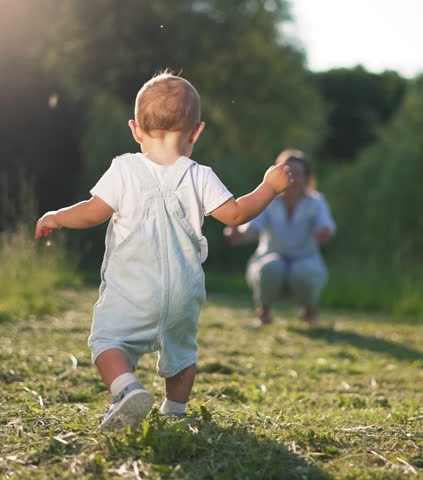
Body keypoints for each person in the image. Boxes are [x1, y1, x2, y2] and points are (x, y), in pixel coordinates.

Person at [34, 72, 292, 431]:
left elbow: (93, 212)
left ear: (136, 130)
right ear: (196, 132)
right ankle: (175, 411)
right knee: (182, 354)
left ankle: (127, 389)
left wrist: (57, 217)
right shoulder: (200, 175)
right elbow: (236, 214)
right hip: (183, 295)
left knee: (107, 341)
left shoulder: (123, 169)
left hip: (132, 291)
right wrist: (268, 188)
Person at [225, 149, 336, 326]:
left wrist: (324, 233)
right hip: (270, 259)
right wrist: (239, 235)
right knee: (271, 266)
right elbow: (252, 229)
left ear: (307, 178)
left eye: (297, 174)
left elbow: (326, 229)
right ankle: (264, 310)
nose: (293, 179)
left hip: (305, 260)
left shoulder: (317, 202)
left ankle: (309, 309)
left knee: (303, 271)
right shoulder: (268, 201)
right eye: (288, 173)